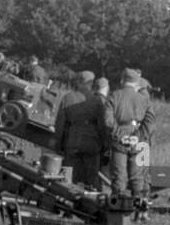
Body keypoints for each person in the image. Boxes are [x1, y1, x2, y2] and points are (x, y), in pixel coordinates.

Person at [103, 68, 155, 197]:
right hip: (139, 141)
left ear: (122, 80)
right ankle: (138, 209)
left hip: (119, 141)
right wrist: (137, 137)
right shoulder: (144, 99)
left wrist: (121, 136)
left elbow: (108, 121)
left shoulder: (114, 96)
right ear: (136, 82)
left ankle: (117, 209)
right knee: (137, 177)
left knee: (119, 176)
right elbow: (150, 122)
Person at [57, 76, 109, 188]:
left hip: (72, 142)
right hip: (92, 144)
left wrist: (59, 144)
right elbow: (102, 126)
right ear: (91, 83)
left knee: (67, 178)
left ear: (79, 82)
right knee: (92, 180)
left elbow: (60, 124)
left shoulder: (68, 97)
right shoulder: (97, 101)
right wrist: (105, 146)